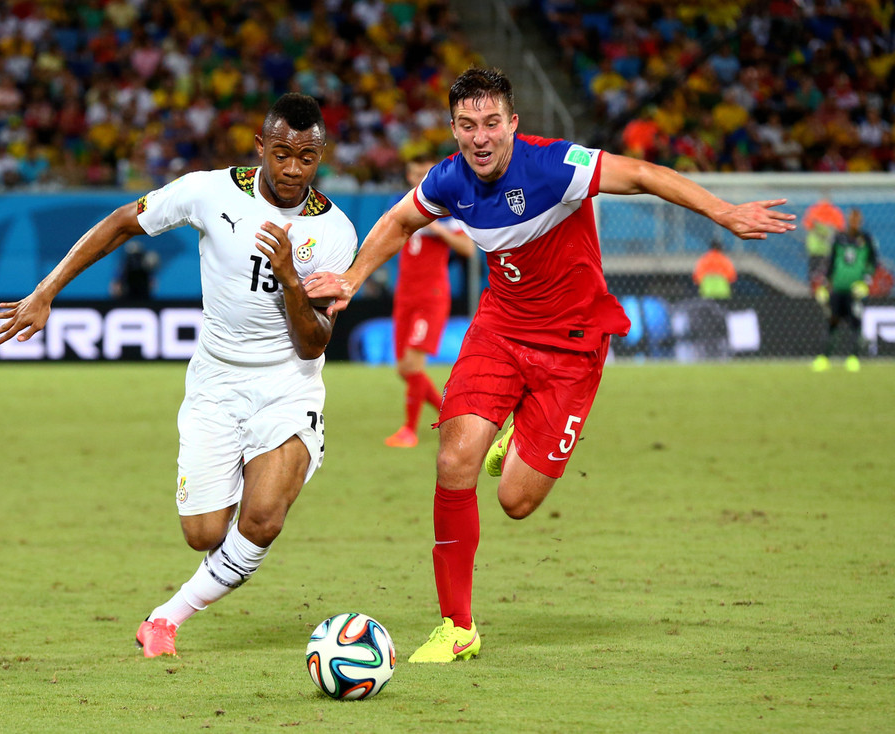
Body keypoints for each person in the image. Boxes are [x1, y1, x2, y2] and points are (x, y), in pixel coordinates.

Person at [304, 67, 795, 663]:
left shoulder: (555, 165)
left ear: (512, 123)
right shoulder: (450, 178)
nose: (480, 137)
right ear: (453, 129)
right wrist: (354, 277)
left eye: (491, 123)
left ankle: (516, 435)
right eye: (467, 125)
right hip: (500, 330)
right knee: (454, 460)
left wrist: (724, 213)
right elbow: (401, 220)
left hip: (573, 346)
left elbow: (643, 174)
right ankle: (457, 626)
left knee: (515, 500)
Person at [0, 93, 358, 658]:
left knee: (262, 519)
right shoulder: (209, 191)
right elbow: (121, 224)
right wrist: (46, 291)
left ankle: (166, 618)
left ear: (320, 157)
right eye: (281, 154)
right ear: (260, 146)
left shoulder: (335, 232)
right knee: (204, 534)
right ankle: (242, 491)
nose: (292, 169)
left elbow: (313, 343)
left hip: (288, 384)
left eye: (306, 158)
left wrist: (289, 277)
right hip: (215, 383)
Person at [385, 154, 475, 449]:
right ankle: (451, 417)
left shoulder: (445, 210)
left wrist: (435, 228)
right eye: (416, 173)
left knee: (412, 365)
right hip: (404, 296)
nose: (421, 179)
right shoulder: (400, 205)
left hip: (431, 297)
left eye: (426, 173)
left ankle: (409, 431)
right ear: (409, 176)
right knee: (403, 369)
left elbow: (468, 249)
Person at [812, 207, 878, 373]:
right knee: (832, 322)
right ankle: (824, 358)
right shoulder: (839, 238)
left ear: (860, 221)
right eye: (852, 219)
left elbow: (873, 264)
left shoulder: (866, 239)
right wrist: (825, 284)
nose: (854, 222)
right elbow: (831, 262)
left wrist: (865, 282)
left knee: (855, 324)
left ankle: (853, 358)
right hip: (838, 289)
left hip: (855, 292)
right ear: (848, 220)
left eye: (857, 219)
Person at [803, 195, 845, 290]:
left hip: (815, 248)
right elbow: (840, 229)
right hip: (828, 248)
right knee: (828, 272)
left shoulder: (813, 211)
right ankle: (827, 289)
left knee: (814, 273)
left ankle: (814, 290)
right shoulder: (835, 212)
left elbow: (807, 225)